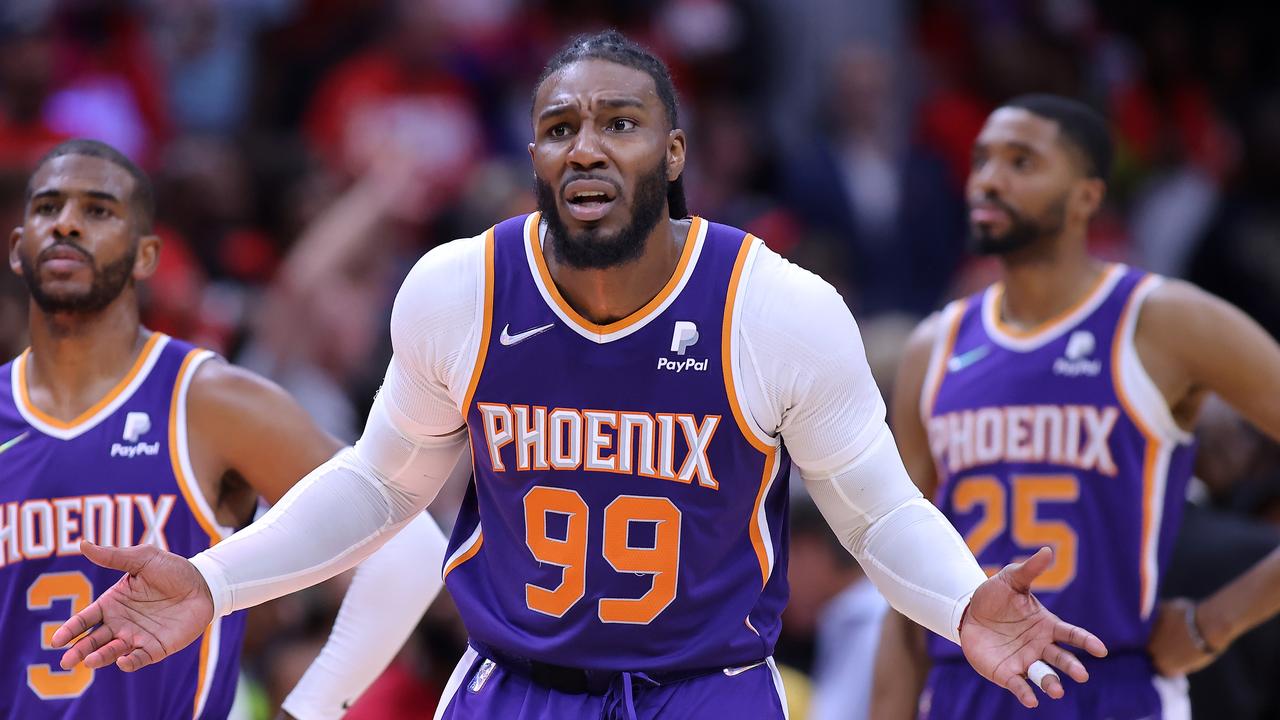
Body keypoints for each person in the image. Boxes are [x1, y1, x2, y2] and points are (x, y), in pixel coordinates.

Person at [53, 33, 1105, 720]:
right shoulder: (458, 288)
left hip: (703, 691)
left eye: (618, 123)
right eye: (560, 128)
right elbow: (381, 486)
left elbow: (874, 517)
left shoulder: (774, 306)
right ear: (534, 157)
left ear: (674, 153)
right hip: (515, 686)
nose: (586, 147)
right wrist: (216, 578)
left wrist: (965, 602)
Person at [1, 138, 448, 719]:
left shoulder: (208, 400)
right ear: (17, 248)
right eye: (47, 207)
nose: (67, 225)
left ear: (147, 256)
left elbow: (409, 548)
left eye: (98, 210)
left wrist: (307, 710)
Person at [869, 94, 1280, 720]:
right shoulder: (934, 347)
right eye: (981, 160)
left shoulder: (1162, 320)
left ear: (1088, 195)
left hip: (1109, 684)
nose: (988, 179)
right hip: (962, 688)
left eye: (1021, 161)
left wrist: (1213, 624)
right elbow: (904, 578)